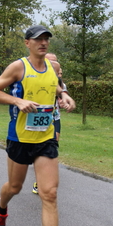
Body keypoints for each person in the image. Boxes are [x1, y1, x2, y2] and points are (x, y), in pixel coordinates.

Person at [0, 25, 76, 226]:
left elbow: (55, 85)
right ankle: (1, 206)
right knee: (14, 187)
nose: (43, 43)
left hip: (46, 137)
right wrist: (17, 102)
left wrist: (64, 95)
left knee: (50, 193)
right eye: (38, 39)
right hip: (20, 138)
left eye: (46, 39)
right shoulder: (19, 67)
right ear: (27, 43)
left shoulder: (53, 66)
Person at [32, 53, 67, 195]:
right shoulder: (37, 78)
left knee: (52, 145)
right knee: (40, 148)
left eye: (57, 66)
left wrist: (63, 100)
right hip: (39, 117)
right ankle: (39, 180)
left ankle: (42, 180)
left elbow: (62, 96)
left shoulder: (60, 83)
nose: (56, 69)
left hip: (54, 117)